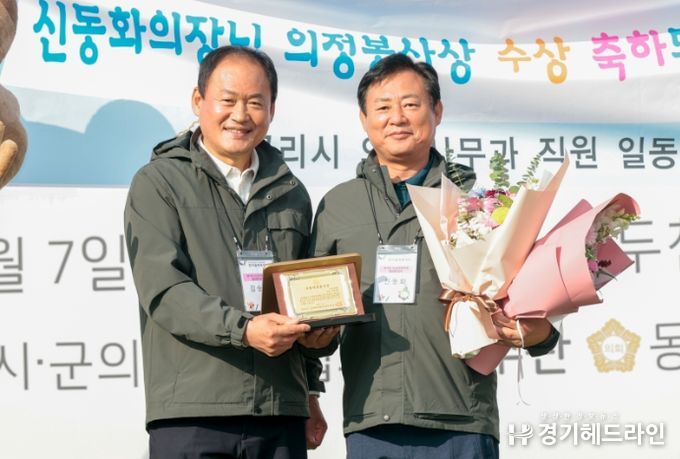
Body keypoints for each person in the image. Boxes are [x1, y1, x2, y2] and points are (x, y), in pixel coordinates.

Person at [310, 53, 560, 458]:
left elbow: (529, 304)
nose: (397, 118)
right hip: (372, 421)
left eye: (411, 104)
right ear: (363, 119)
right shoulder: (338, 206)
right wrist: (312, 356)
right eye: (383, 107)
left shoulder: (479, 204)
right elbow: (310, 308)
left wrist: (540, 333)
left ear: (437, 111)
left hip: (461, 420)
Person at [124, 45, 337, 459]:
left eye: (255, 102)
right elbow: (164, 291)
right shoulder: (159, 183)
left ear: (272, 110)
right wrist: (244, 330)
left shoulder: (291, 192)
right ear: (198, 100)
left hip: (279, 410)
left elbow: (300, 295)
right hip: (194, 414)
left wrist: (310, 384)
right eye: (228, 100)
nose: (240, 115)